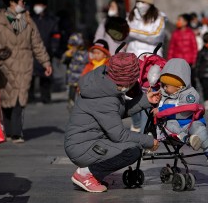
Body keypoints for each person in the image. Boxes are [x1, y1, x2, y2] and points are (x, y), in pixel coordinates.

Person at [64, 52, 161, 193]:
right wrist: (148, 141)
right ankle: (86, 174)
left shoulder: (104, 84)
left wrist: (146, 100)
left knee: (132, 146)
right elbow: (119, 135)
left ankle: (91, 172)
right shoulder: (106, 97)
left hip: (88, 141)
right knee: (132, 152)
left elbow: (115, 113)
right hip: (82, 146)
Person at [0, 0, 52, 143]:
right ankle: (8, 131)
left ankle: (16, 133)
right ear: (12, 2)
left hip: (24, 64)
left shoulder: (28, 20)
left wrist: (46, 62)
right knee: (6, 99)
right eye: (22, 0)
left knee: (19, 98)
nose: (24, 3)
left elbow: (37, 44)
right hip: (4, 65)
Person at [152, 58, 208, 167]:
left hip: (189, 121)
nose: (164, 88)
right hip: (172, 123)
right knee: (170, 125)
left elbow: (185, 110)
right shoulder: (162, 93)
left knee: (200, 129)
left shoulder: (190, 94)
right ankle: (186, 138)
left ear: (179, 86)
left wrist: (162, 110)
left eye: (167, 86)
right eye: (163, 85)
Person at [126, 0, 166, 133]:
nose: (140, 4)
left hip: (151, 63)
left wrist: (132, 31)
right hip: (133, 61)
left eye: (144, 1)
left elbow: (155, 35)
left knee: (147, 97)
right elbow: (124, 35)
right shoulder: (131, 16)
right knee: (130, 96)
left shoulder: (159, 17)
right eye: (138, 1)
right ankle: (136, 124)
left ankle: (145, 135)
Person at [29, 0, 60, 104]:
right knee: (29, 76)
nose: (37, 6)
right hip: (30, 52)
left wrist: (54, 48)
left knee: (46, 76)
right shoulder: (29, 18)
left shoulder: (51, 20)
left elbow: (55, 35)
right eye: (36, 4)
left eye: (40, 4)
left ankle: (45, 97)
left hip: (46, 51)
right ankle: (30, 97)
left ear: (45, 5)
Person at [167, 13, 198, 88]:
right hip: (177, 61)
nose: (178, 22)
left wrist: (194, 60)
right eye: (178, 20)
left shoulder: (190, 33)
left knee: (190, 79)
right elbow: (171, 48)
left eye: (180, 20)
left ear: (185, 22)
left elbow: (194, 48)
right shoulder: (175, 33)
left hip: (188, 61)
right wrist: (169, 60)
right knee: (179, 80)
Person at [61, 33, 88, 109]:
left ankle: (81, 103)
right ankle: (71, 101)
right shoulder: (69, 53)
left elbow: (88, 62)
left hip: (81, 76)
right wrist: (68, 55)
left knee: (81, 91)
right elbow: (63, 61)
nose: (74, 48)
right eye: (72, 45)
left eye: (75, 46)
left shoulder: (85, 53)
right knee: (71, 90)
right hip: (72, 76)